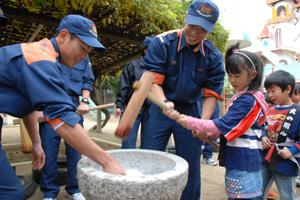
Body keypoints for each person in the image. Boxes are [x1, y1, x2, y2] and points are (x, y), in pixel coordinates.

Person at [0, 14, 125, 200]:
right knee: (10, 194)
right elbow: (63, 122)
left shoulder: (47, 58)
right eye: (82, 48)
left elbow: (28, 107)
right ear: (64, 36)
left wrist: (36, 143)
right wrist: (107, 161)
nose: (84, 56)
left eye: (88, 51)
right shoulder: (40, 60)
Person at [141, 0, 225, 199]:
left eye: (202, 29)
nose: (195, 32)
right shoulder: (162, 43)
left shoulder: (212, 56)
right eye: (192, 25)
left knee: (190, 164)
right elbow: (152, 80)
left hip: (190, 109)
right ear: (186, 18)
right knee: (149, 157)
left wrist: (203, 123)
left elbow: (211, 94)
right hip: (160, 106)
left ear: (209, 30)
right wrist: (164, 103)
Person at [165, 43, 268, 199]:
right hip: (240, 159)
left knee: (244, 196)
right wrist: (208, 134)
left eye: (237, 75)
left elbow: (222, 125)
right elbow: (230, 129)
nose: (233, 80)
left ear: (253, 75)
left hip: (244, 161)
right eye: (230, 75)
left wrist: (184, 120)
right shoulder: (245, 97)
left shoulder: (248, 100)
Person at [38, 55, 94, 200]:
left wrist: (85, 101)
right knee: (48, 151)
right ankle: (49, 193)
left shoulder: (83, 55)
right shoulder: (46, 53)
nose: (84, 49)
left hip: (73, 104)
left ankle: (74, 189)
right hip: (49, 103)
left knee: (75, 151)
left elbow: (87, 80)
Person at [258, 70, 300, 200]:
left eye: (273, 90)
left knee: (287, 196)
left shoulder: (297, 111)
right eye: (268, 91)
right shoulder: (269, 110)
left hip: (285, 160)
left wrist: (292, 150)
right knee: (258, 192)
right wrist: (263, 137)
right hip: (266, 158)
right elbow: (263, 127)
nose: (270, 95)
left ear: (287, 89)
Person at [114, 37, 152, 149]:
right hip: (132, 108)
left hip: (151, 110)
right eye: (153, 49)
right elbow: (124, 86)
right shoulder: (132, 65)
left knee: (149, 146)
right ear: (145, 50)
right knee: (128, 144)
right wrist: (119, 105)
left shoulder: (158, 68)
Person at [197, 96, 219, 166]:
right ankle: (195, 157)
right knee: (197, 127)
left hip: (213, 98)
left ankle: (207, 156)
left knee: (213, 127)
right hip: (199, 98)